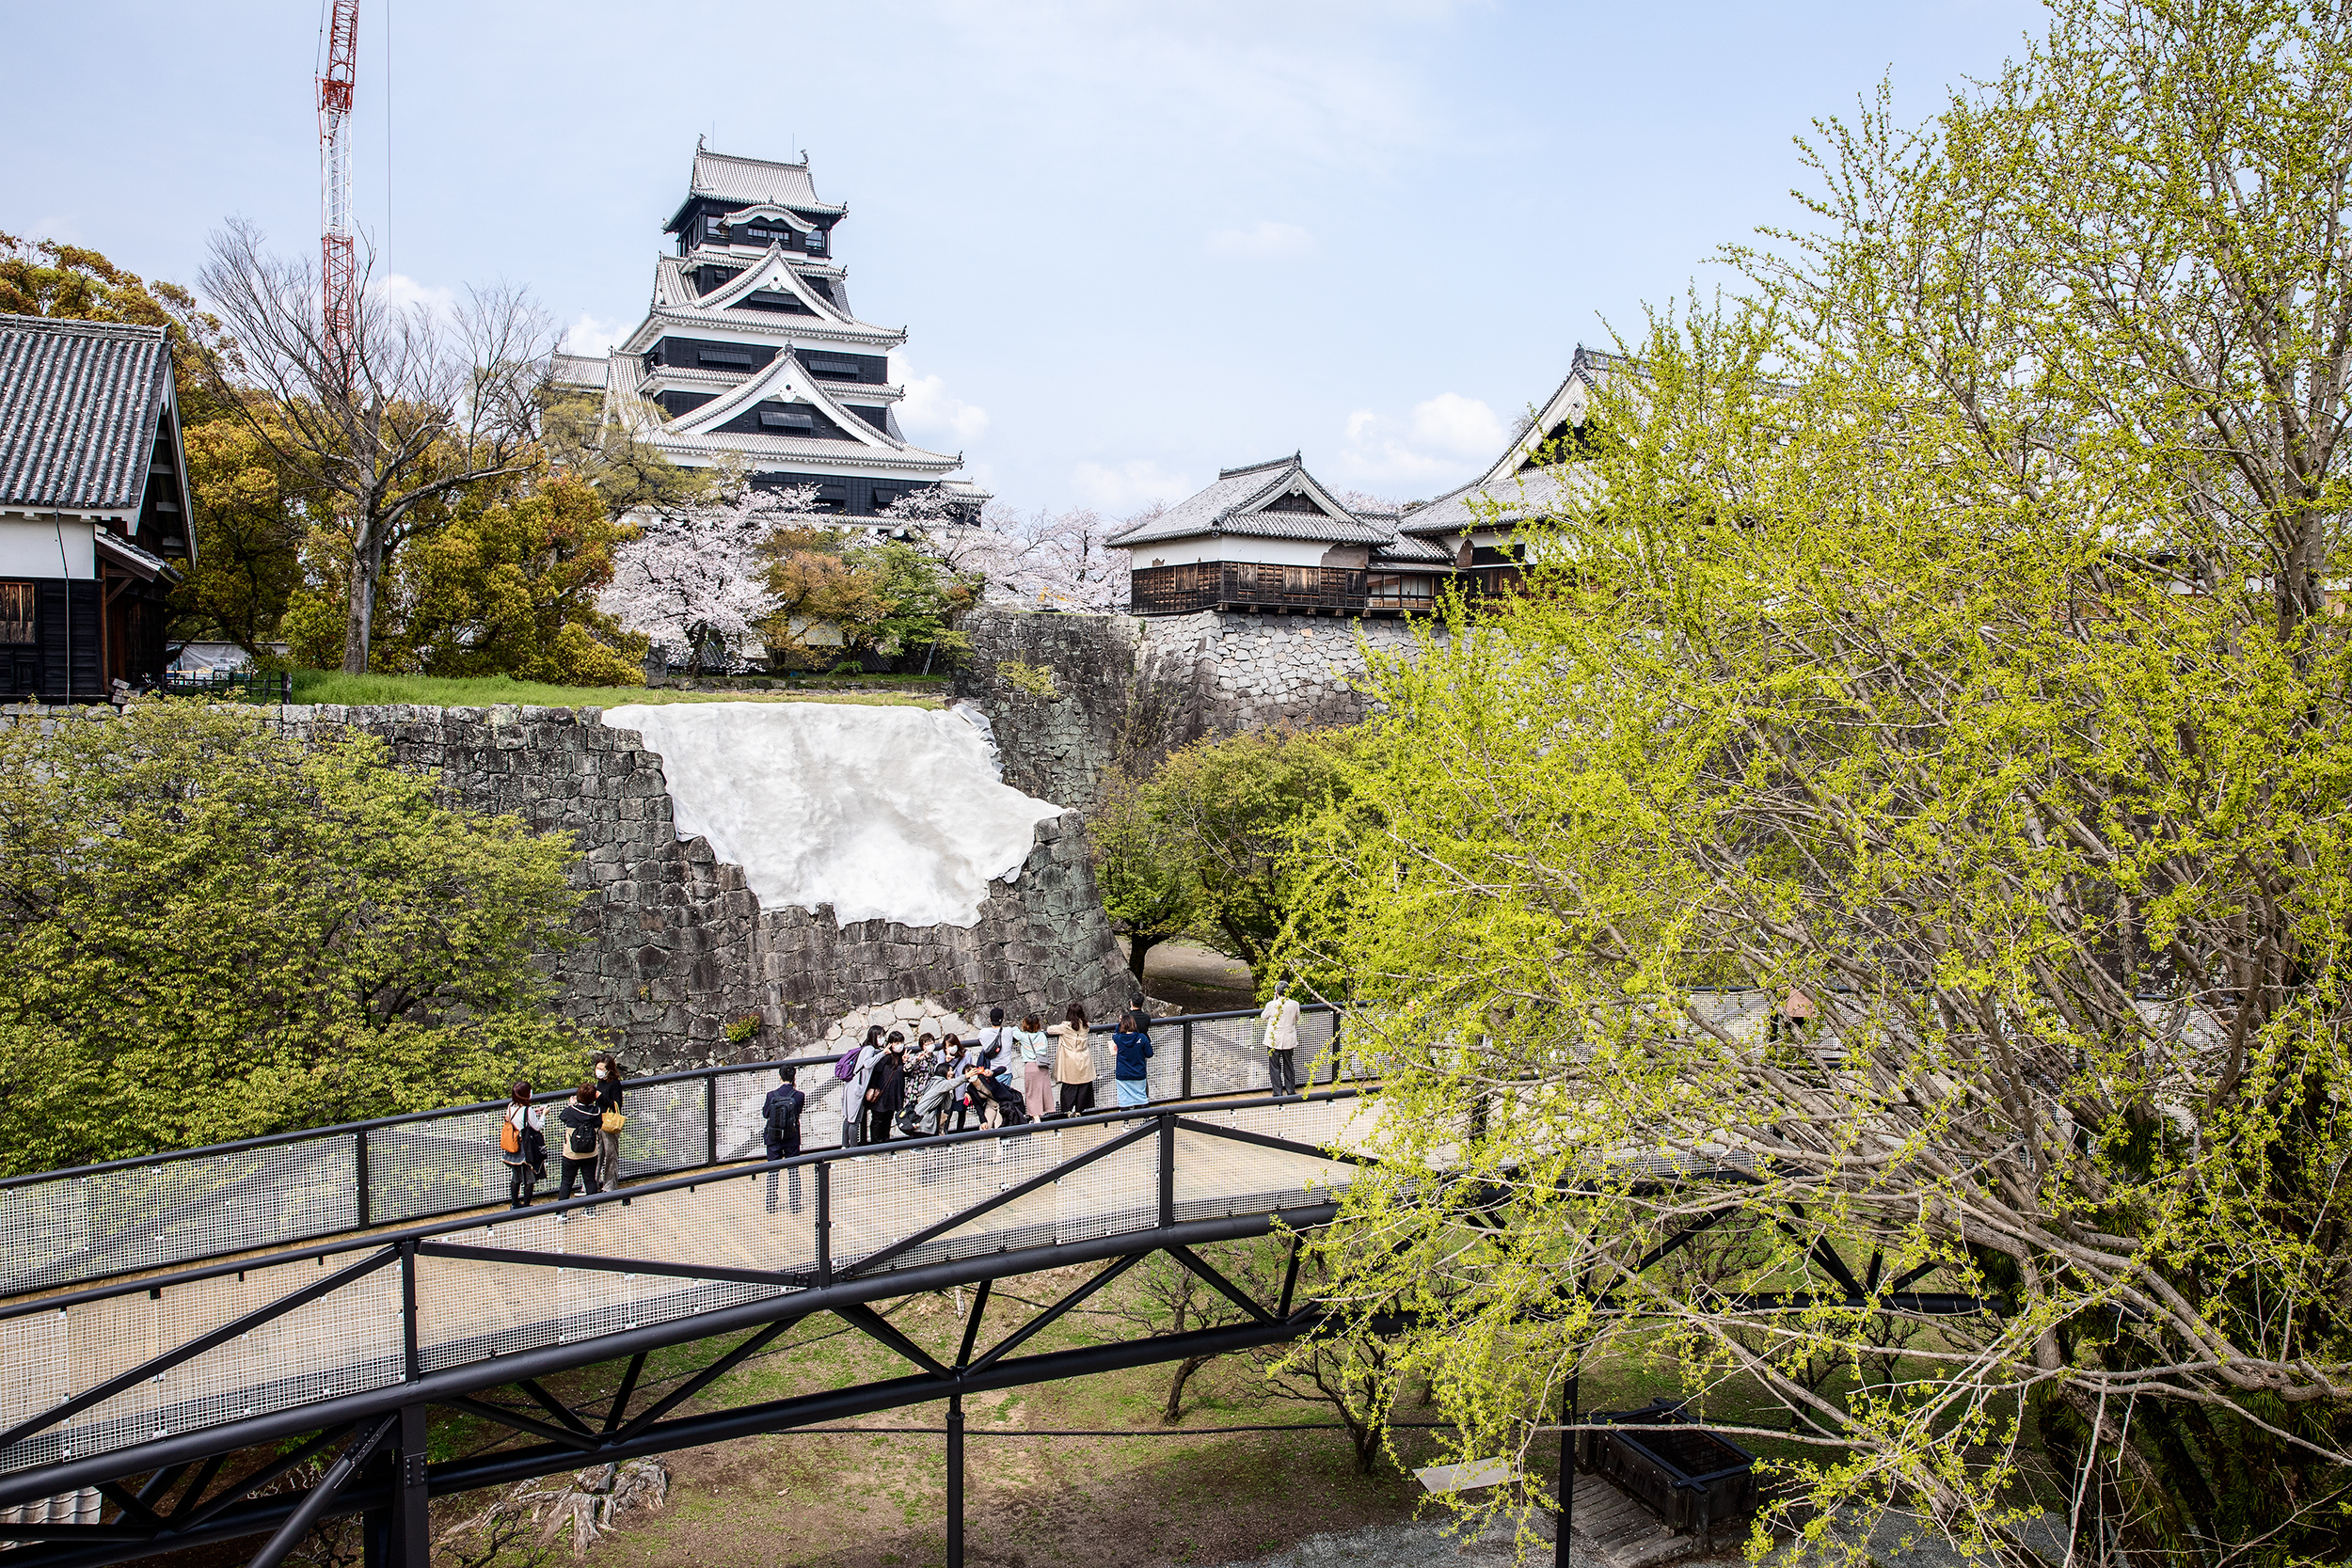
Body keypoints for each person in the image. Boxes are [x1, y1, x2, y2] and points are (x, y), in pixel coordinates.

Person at [762, 1066, 805, 1213]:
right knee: (793, 1170)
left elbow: (766, 1114)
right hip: (791, 1137)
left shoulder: (771, 1095)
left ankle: (770, 1204)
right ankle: (795, 1204)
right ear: (794, 1077)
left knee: (773, 1171)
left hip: (773, 1138)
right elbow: (797, 1113)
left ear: (779, 1077)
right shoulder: (799, 1096)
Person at [555, 1083, 605, 1204]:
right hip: (590, 1153)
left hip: (571, 1154)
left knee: (567, 1182)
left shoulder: (571, 1111)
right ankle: (590, 1210)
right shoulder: (596, 1112)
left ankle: (561, 1213)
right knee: (590, 1181)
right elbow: (599, 1124)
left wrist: (571, 1105)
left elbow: (562, 1117)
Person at [498, 1083, 546, 1209]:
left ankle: (514, 1203)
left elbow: (517, 1119)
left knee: (516, 1176)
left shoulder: (510, 1106)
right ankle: (526, 1204)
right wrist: (543, 1115)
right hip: (525, 1146)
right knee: (529, 1177)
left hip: (514, 1145)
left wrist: (533, 1113)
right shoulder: (527, 1110)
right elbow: (538, 1126)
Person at [841, 1025, 885, 1148]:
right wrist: (883, 1053)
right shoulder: (870, 1049)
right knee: (855, 1121)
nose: (883, 1039)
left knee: (848, 1118)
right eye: (880, 1036)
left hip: (851, 1085)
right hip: (857, 1089)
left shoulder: (865, 1048)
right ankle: (854, 1150)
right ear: (873, 1037)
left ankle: (845, 1145)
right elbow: (867, 1063)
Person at [1051, 1003, 1097, 1117]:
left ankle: (1067, 1110)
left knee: (1069, 1085)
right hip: (1084, 1058)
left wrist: (1065, 1023)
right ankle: (1079, 1111)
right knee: (1084, 1085)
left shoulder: (1065, 1027)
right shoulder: (1086, 1026)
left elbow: (1050, 1029)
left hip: (1070, 1060)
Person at [865, 1032, 909, 1146]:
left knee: (888, 1118)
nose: (899, 1045)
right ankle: (876, 1144)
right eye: (896, 1042)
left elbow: (904, 1074)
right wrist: (872, 1088)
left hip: (894, 1093)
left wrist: (905, 1063)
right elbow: (876, 1073)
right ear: (890, 1043)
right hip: (882, 1092)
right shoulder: (885, 1056)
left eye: (901, 1042)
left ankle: (885, 1141)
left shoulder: (901, 1057)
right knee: (878, 1118)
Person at [590, 1052, 626, 1191]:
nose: (598, 1071)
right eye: (597, 1068)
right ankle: (592, 1184)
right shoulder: (599, 1082)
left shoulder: (615, 1084)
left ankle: (609, 1185)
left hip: (609, 1123)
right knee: (596, 1154)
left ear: (608, 1071)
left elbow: (616, 1104)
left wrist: (600, 1096)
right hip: (598, 1122)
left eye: (601, 1069)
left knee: (610, 1154)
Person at [1262, 982, 1302, 1096]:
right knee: (1288, 1064)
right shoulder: (1294, 1004)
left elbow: (1263, 1016)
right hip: (1289, 1038)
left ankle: (1277, 1092)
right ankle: (1290, 1090)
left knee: (1274, 1066)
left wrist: (1274, 1000)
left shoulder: (1271, 1005)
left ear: (1276, 992)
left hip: (1274, 1040)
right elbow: (1297, 1018)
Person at [1110, 1009, 1154, 1108]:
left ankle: (1126, 1122)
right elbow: (1149, 1053)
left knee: (1124, 1100)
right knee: (1142, 1098)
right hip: (1139, 1073)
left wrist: (1119, 1023)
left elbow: (1116, 1032)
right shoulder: (1142, 1037)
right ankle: (1146, 1119)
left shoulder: (1118, 1038)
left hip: (1122, 1074)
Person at [1015, 1012, 1054, 1121]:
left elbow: (1014, 1031)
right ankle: (1041, 1114)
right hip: (1042, 1065)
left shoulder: (1023, 1036)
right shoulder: (1042, 1035)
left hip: (1031, 1065)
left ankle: (1036, 1118)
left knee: (1032, 1093)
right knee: (1043, 1091)